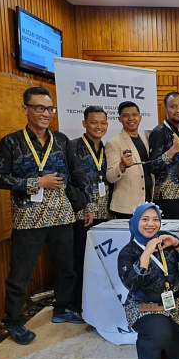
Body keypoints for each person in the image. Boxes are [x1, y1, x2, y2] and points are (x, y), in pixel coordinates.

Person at [0, 86, 92, 344]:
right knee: (20, 273)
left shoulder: (61, 140)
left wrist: (86, 203)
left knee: (65, 268)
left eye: (50, 109)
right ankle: (14, 321)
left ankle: (63, 308)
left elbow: (77, 173)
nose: (46, 113)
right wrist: (36, 183)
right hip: (28, 218)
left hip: (62, 215)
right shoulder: (11, 142)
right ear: (25, 109)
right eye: (39, 108)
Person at [118, 202, 179, 359]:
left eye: (155, 219)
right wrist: (146, 253)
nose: (151, 224)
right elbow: (132, 284)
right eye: (145, 219)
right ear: (136, 222)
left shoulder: (165, 239)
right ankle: (147, 351)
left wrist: (177, 244)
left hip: (175, 303)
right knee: (161, 333)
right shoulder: (128, 252)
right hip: (145, 306)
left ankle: (167, 336)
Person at [71, 105, 110, 313]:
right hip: (81, 214)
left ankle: (94, 300)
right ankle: (78, 304)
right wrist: (86, 205)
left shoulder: (106, 148)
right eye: (94, 122)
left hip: (103, 213)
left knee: (97, 260)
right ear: (84, 123)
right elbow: (70, 181)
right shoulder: (73, 147)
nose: (99, 126)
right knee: (80, 259)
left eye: (103, 122)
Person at [148, 91, 179, 219]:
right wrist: (172, 151)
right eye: (173, 106)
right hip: (167, 197)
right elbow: (152, 167)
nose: (178, 110)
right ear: (165, 108)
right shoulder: (159, 132)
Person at [106, 101, 153, 219]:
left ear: (140, 117)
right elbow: (110, 177)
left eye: (134, 115)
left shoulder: (145, 139)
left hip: (147, 202)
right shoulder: (113, 142)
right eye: (126, 115)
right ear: (119, 119)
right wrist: (122, 165)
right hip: (126, 207)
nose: (131, 118)